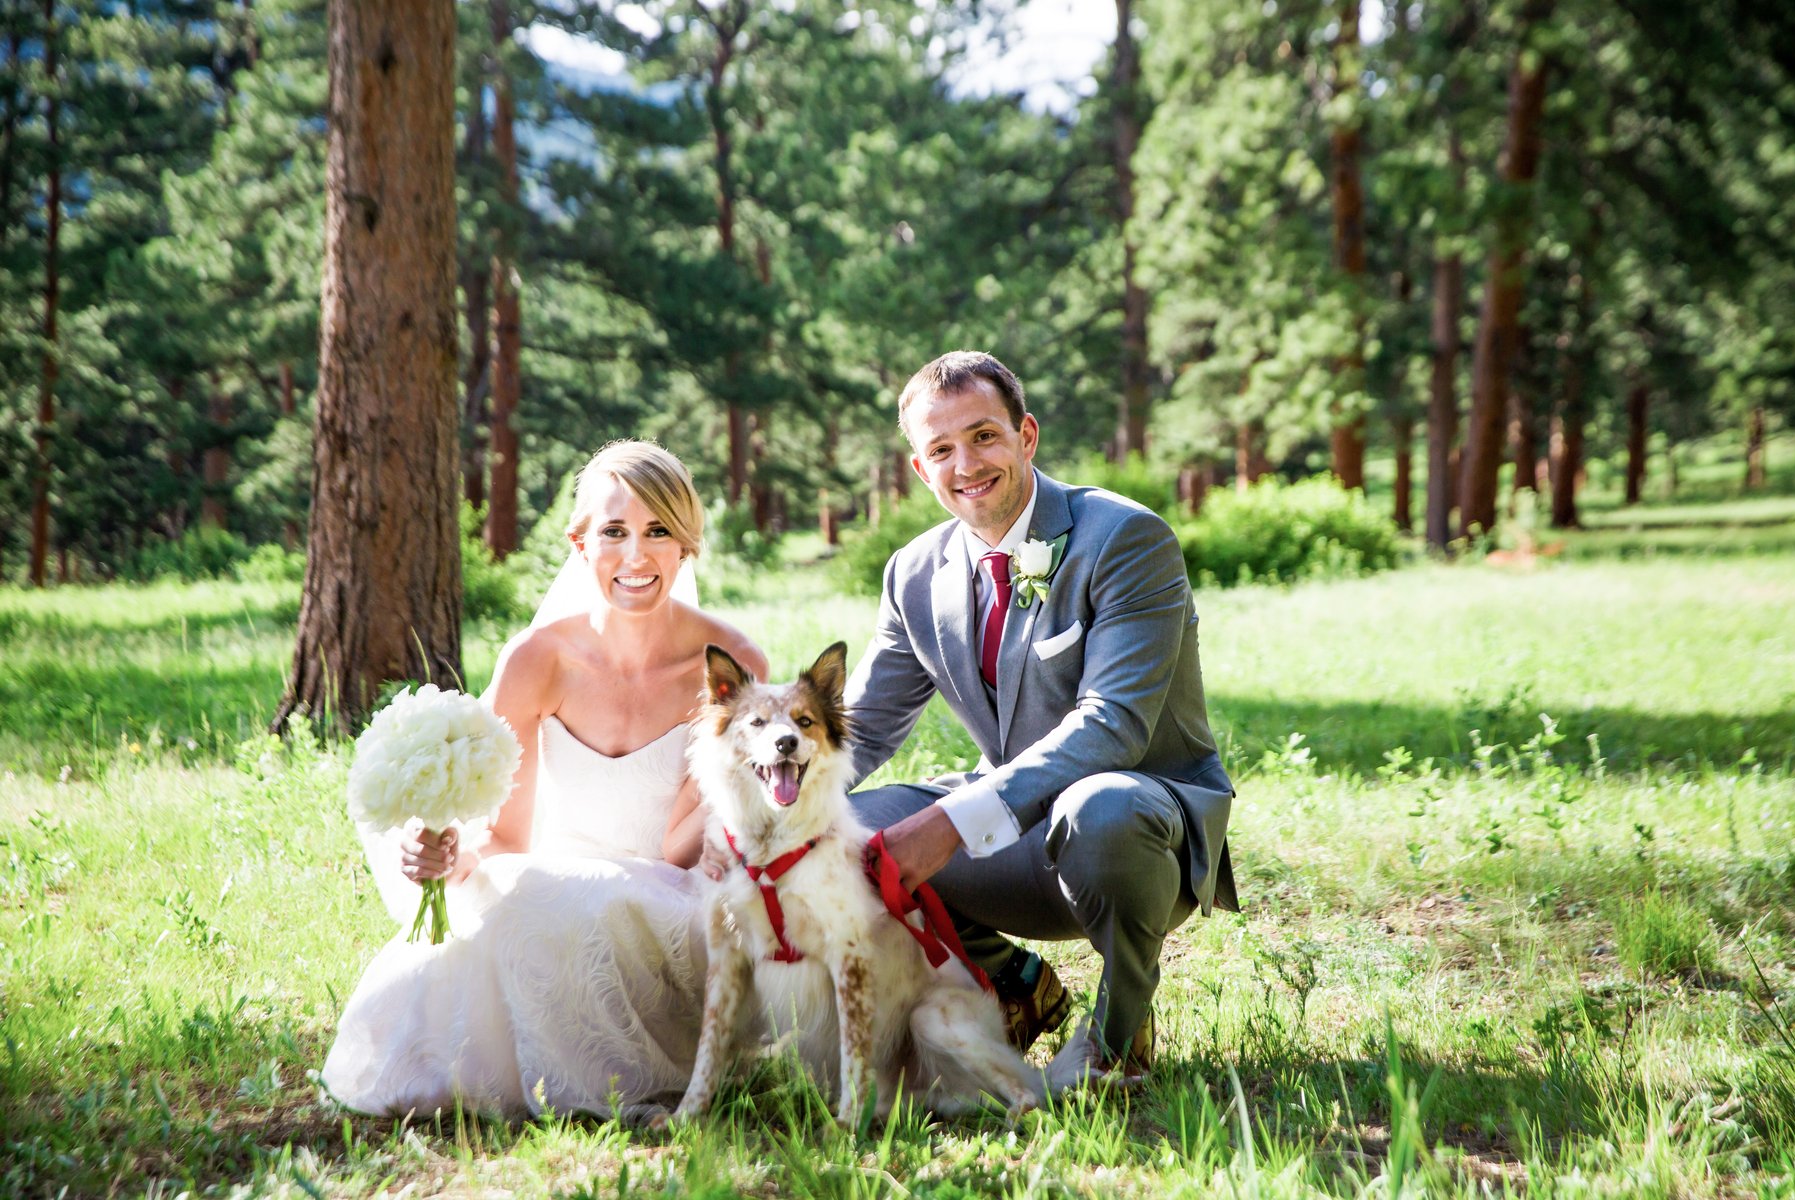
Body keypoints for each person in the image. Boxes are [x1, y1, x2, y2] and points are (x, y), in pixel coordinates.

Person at [320, 441, 766, 1118]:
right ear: (580, 543)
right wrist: (448, 853)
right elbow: (504, 836)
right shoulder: (537, 660)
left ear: (686, 544)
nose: (636, 556)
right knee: (489, 937)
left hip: (670, 895)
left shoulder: (730, 661)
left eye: (658, 532)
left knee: (609, 910)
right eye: (613, 531)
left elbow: (682, 846)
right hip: (547, 880)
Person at [844, 351, 1238, 1088]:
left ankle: (1118, 1040)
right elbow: (859, 729)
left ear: (1026, 436)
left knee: (1102, 805)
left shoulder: (1124, 538)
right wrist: (753, 813)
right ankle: (1016, 985)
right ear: (921, 468)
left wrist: (952, 821)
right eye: (941, 449)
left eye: (983, 436)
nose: (966, 464)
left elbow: (1114, 725)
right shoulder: (913, 573)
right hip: (1012, 837)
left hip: (1136, 832)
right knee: (840, 828)